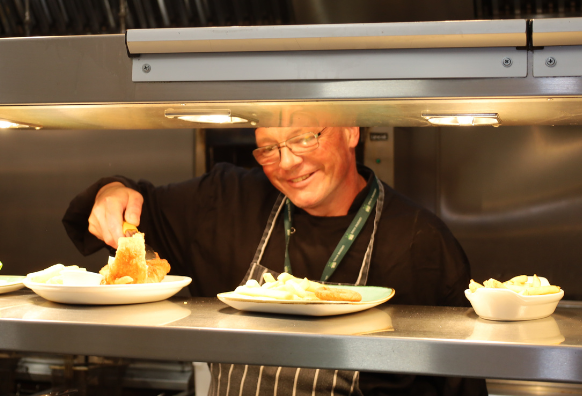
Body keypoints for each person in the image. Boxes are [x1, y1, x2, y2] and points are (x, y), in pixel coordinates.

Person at [63, 127, 488, 396]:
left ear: (352, 130)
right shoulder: (226, 200)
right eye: (268, 148)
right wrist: (111, 193)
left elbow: (459, 381)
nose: (286, 163)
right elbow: (135, 204)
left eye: (305, 139)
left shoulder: (419, 240)